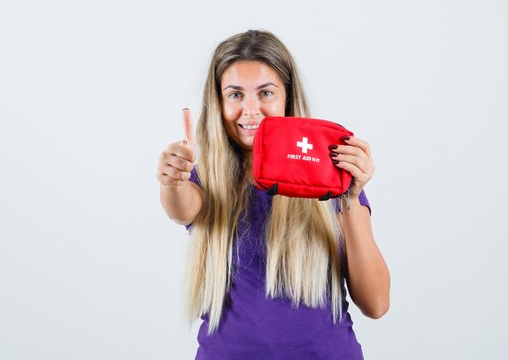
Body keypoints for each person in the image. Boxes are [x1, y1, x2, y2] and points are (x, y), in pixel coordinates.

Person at [156, 29, 390, 360]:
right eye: (235, 95)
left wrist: (350, 197)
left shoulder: (328, 169)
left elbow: (376, 303)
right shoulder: (207, 175)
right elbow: (182, 209)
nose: (251, 110)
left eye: (265, 93)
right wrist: (173, 179)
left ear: (288, 98)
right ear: (218, 102)